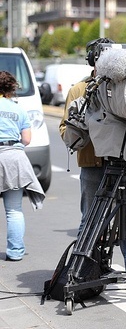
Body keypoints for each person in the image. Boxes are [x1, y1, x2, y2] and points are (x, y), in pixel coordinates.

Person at [59, 38, 126, 284]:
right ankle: (88, 269)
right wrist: (85, 129)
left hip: (125, 162)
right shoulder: (79, 89)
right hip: (93, 163)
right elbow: (66, 128)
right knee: (91, 220)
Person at [0, 71, 45, 261]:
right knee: (14, 210)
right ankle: (15, 252)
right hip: (13, 159)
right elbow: (26, 139)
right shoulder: (18, 110)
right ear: (11, 89)